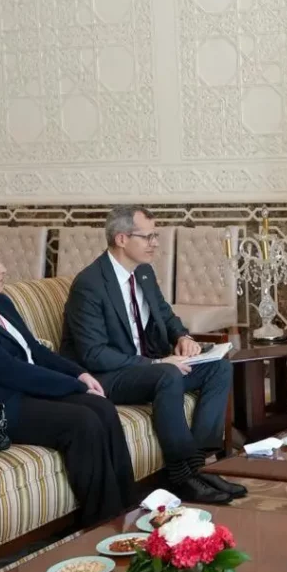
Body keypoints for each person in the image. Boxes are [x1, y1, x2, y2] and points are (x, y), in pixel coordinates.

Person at [0, 234, 134, 527]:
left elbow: (34, 350)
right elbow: (12, 370)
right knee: (82, 421)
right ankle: (103, 525)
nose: (3, 269)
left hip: (18, 393)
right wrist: (75, 386)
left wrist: (79, 373)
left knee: (102, 407)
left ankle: (129, 512)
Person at [60, 205, 244, 504]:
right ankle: (181, 476)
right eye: (147, 237)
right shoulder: (89, 285)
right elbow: (94, 354)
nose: (155, 243)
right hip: (106, 376)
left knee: (219, 367)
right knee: (167, 374)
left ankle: (199, 465)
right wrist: (157, 363)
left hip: (148, 369)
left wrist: (182, 337)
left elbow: (165, 314)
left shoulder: (143, 272)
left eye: (155, 236)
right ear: (121, 239)